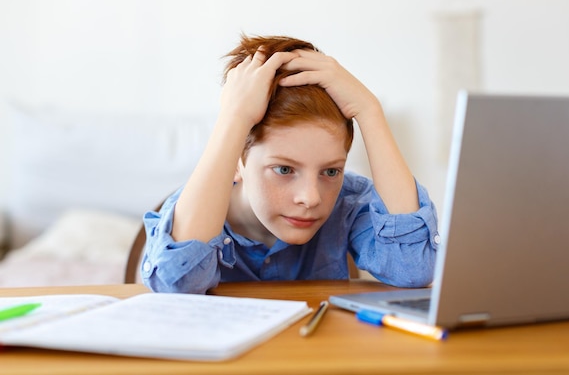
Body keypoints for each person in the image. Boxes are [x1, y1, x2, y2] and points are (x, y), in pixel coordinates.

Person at [141, 35, 440, 294]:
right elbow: (177, 284)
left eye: (331, 171)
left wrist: (370, 110)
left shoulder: (349, 202)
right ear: (236, 161)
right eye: (284, 169)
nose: (311, 198)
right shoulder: (196, 209)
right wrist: (234, 118)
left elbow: (412, 268)